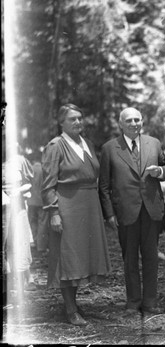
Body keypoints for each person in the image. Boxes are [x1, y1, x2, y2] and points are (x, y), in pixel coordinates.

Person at [41, 104, 111, 326]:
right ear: (61, 122)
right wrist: (54, 213)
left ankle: (75, 304)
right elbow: (47, 185)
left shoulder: (86, 143)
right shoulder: (55, 146)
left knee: (82, 258)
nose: (78, 122)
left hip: (88, 206)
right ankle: (70, 310)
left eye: (80, 118)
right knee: (68, 257)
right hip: (67, 207)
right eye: (72, 119)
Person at [99, 107, 165, 315]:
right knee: (130, 259)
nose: (133, 123)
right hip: (125, 212)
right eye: (128, 120)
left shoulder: (154, 143)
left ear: (142, 122)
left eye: (137, 120)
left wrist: (160, 171)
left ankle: (150, 301)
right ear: (120, 124)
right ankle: (133, 301)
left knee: (150, 257)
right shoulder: (110, 148)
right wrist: (109, 214)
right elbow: (103, 186)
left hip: (151, 210)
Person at [2, 149, 35, 304]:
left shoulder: (19, 160)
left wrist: (17, 191)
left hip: (16, 209)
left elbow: (29, 183)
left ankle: (20, 293)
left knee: (18, 248)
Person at [26, 151, 49, 256]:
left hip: (31, 201)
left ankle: (35, 242)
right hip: (42, 201)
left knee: (33, 222)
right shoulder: (44, 169)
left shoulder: (29, 169)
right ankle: (41, 246)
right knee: (42, 223)